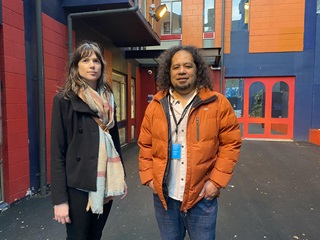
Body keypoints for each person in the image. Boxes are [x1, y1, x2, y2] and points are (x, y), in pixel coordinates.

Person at [138, 45, 242, 240]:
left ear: (197, 70)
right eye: (176, 67)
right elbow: (145, 144)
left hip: (201, 197)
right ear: (168, 72)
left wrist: (216, 182)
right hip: (165, 198)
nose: (182, 71)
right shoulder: (155, 106)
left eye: (187, 66)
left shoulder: (217, 103)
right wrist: (149, 178)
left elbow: (231, 144)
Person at [50, 40, 127, 240]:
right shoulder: (64, 100)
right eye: (86, 60)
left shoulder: (108, 99)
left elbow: (115, 142)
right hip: (78, 185)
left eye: (96, 61)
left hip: (105, 180)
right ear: (76, 66)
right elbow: (57, 152)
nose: (92, 65)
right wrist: (60, 200)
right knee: (78, 237)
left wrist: (121, 176)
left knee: (95, 235)